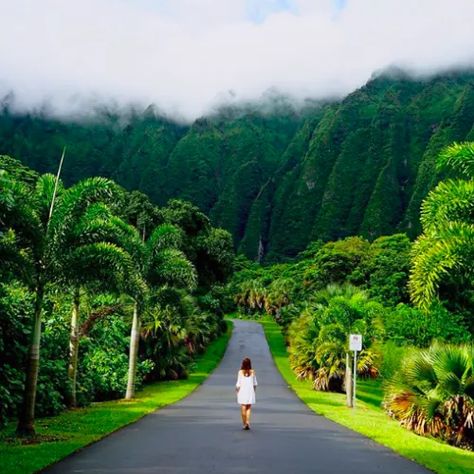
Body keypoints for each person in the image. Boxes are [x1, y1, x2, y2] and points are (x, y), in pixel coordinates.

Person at [235, 357, 258, 430]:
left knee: (243, 407)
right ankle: (248, 422)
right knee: (248, 408)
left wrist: (237, 391)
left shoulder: (240, 372)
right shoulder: (253, 372)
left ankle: (244, 423)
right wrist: (254, 391)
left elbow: (238, 384)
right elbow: (255, 384)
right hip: (250, 391)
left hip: (242, 391)